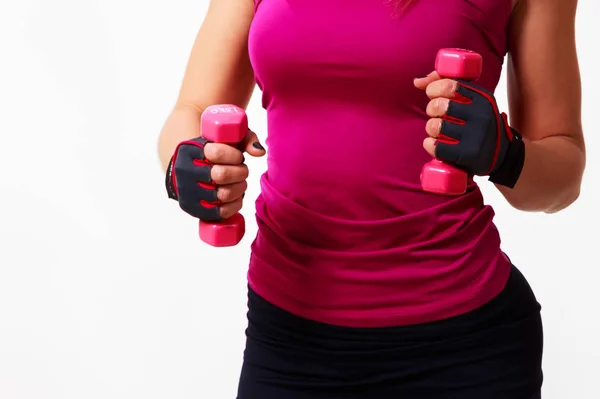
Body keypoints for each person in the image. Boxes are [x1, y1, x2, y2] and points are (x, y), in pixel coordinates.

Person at [158, 0, 585, 397]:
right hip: (288, 336)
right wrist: (186, 166)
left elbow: (562, 171)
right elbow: (193, 106)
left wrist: (506, 154)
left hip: (464, 348)